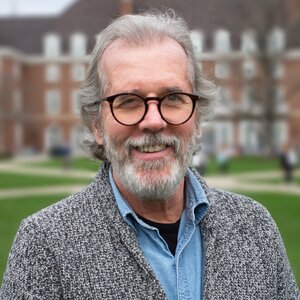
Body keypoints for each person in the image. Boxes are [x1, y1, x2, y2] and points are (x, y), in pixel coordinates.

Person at [1, 11, 299, 300]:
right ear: (97, 125)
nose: (153, 121)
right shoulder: (44, 245)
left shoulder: (256, 227)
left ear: (197, 116)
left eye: (173, 98)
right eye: (128, 101)